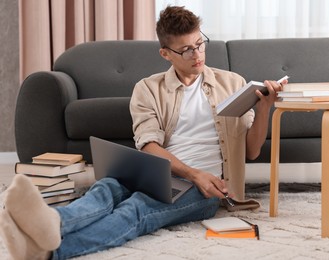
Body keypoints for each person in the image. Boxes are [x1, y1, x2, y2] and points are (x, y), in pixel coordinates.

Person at [0, 6, 286, 260]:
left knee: (136, 209)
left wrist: (264, 109)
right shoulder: (148, 89)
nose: (197, 54)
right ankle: (52, 223)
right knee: (106, 188)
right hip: (162, 173)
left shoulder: (232, 82)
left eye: (200, 44)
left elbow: (251, 151)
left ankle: (52, 250)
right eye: (186, 49)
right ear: (165, 53)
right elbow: (148, 145)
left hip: (206, 188)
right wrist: (190, 172)